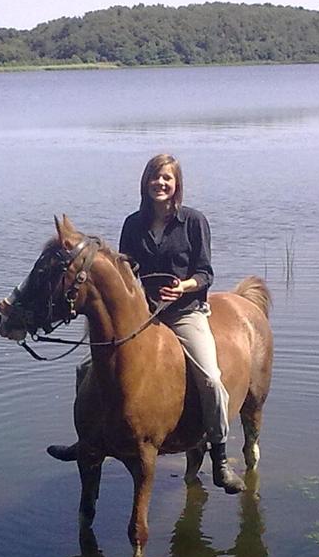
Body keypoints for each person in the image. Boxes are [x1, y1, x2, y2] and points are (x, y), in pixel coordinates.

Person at [47, 153, 245, 493]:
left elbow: (205, 273)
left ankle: (220, 457)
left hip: (185, 313)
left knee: (211, 377)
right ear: (146, 183)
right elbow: (126, 275)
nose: (161, 183)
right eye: (155, 178)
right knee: (86, 369)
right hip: (145, 315)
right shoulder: (132, 224)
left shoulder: (194, 221)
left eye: (167, 178)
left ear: (176, 184)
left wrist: (182, 287)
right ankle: (88, 441)